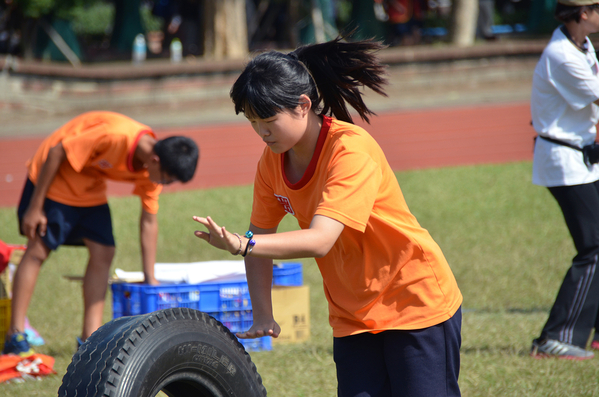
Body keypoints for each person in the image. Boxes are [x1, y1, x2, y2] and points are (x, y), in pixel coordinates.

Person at [193, 37, 463, 396]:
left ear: (303, 105)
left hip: (413, 303)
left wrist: (243, 244)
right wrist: (263, 313)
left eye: (268, 119)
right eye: (253, 121)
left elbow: (320, 240)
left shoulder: (349, 150)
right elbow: (260, 235)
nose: (262, 132)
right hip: (353, 316)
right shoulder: (271, 162)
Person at [2, 111, 199, 356]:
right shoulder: (115, 136)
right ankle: (15, 335)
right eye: (168, 180)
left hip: (89, 184)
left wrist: (150, 277)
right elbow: (57, 152)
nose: (164, 185)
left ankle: (88, 340)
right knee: (38, 250)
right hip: (55, 176)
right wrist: (35, 206)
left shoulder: (152, 170)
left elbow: (149, 221)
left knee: (104, 251)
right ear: (156, 159)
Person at [530, 0, 599, 360]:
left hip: (584, 159)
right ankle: (555, 337)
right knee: (593, 246)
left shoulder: (581, 46)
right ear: (583, 14)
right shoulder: (562, 55)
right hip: (564, 162)